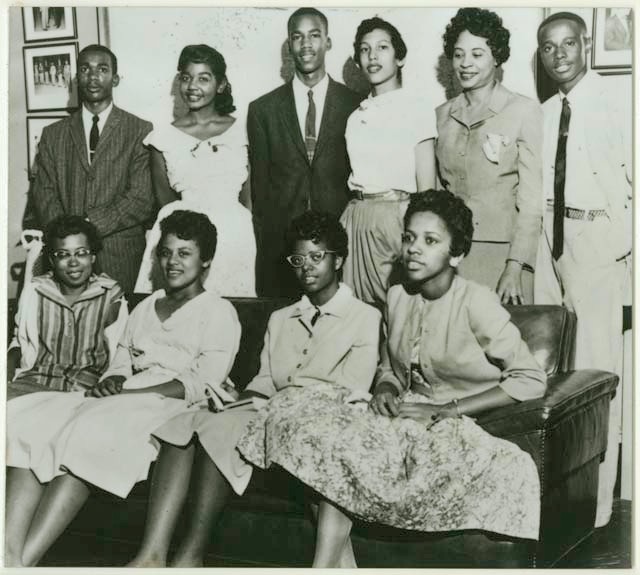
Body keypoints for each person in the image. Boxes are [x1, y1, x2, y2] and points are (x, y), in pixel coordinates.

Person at [238, 190, 547, 567]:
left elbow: (530, 378)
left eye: (430, 241)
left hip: (458, 420)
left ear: (457, 253)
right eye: (409, 237)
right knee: (328, 438)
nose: (414, 249)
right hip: (405, 415)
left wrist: (448, 410)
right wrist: (386, 386)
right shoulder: (398, 294)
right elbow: (390, 366)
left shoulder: (477, 303)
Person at [128, 211, 380, 567]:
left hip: (321, 418)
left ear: (338, 260)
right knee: (191, 420)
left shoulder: (365, 317)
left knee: (222, 429)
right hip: (268, 410)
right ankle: (153, 554)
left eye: (317, 257)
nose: (306, 267)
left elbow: (352, 388)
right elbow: (264, 380)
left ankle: (190, 555)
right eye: (298, 259)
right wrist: (236, 398)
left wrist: (274, 402)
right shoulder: (281, 319)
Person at [5, 210, 241, 567]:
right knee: (41, 423)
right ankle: (9, 553)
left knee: (86, 434)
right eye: (166, 252)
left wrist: (128, 394)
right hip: (124, 397)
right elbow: (121, 360)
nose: (172, 261)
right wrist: (114, 378)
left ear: (205, 260)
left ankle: (25, 559)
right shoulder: (147, 306)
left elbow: (201, 383)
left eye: (184, 253)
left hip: (168, 405)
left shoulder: (219, 311)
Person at [534, 12, 632, 528]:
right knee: (549, 373)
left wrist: (617, 248)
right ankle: (555, 503)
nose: (560, 55)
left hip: (597, 243)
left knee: (597, 375)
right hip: (550, 245)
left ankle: (595, 514)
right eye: (549, 48)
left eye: (569, 43)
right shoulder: (544, 113)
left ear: (586, 45)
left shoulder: (618, 104)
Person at [248, 7, 362, 297]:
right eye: (297, 37)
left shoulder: (357, 105)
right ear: (289, 45)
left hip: (339, 242)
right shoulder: (263, 109)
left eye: (314, 35)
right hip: (283, 246)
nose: (306, 44)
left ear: (328, 42)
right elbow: (259, 189)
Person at [25, 44, 155, 294]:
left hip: (121, 256)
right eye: (85, 69)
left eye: (102, 69)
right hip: (65, 257)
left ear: (115, 78)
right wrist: (70, 240)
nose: (93, 77)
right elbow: (44, 193)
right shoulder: (53, 134)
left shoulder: (140, 130)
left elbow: (140, 199)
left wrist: (89, 226)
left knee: (119, 329)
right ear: (76, 78)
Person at [436, 8, 542, 305]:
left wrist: (515, 266)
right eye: (458, 55)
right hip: (452, 258)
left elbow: (532, 203)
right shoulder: (441, 115)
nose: (465, 64)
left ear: (496, 57)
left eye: (477, 54)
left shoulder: (523, 111)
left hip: (504, 260)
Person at [134, 45, 255, 297]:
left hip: (234, 238)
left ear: (220, 85)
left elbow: (249, 198)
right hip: (182, 239)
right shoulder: (162, 138)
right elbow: (164, 201)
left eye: (203, 78)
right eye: (186, 78)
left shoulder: (243, 130)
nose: (192, 86)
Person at [340, 16, 437, 306]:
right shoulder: (355, 117)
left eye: (382, 47)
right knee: (356, 312)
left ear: (400, 57)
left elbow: (427, 186)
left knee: (400, 308)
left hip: (397, 218)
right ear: (358, 60)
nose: (373, 55)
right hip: (355, 219)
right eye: (365, 49)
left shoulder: (417, 108)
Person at [7, 215, 126, 400]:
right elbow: (19, 341)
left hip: (86, 392)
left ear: (93, 256)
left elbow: (121, 353)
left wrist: (112, 381)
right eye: (63, 254)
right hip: (34, 384)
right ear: (52, 261)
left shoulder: (110, 294)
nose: (73, 262)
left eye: (81, 253)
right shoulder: (36, 290)